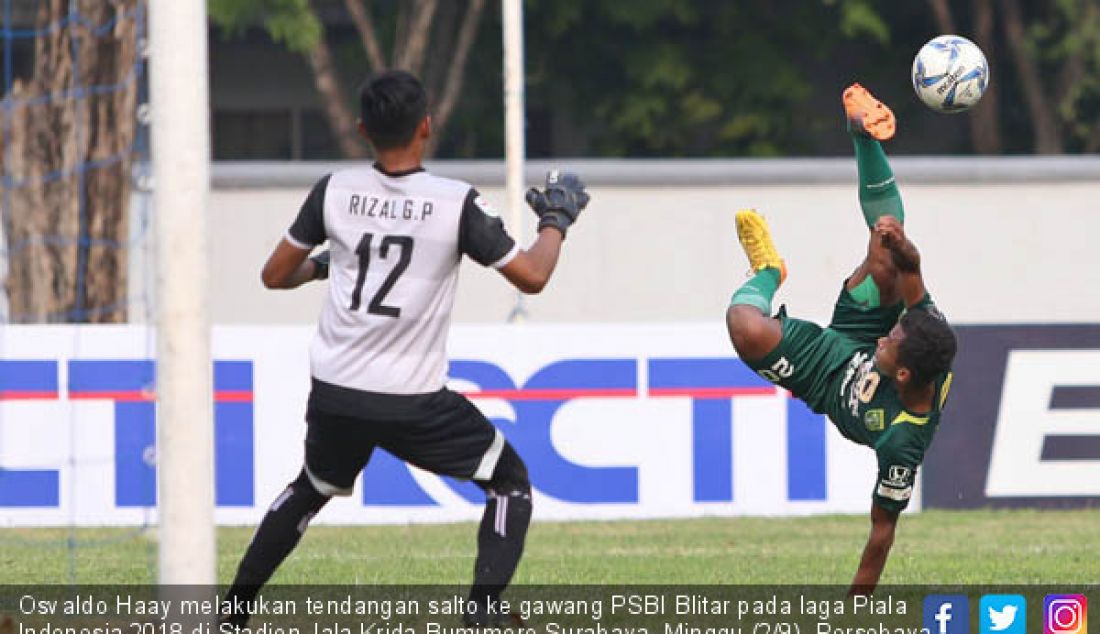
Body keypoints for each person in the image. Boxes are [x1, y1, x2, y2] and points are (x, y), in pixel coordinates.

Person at [222, 70, 590, 625]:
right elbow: (532, 276)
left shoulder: (334, 190)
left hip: (337, 390)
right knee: (509, 483)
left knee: (310, 488)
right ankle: (483, 614)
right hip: (411, 399)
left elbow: (275, 275)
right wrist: (555, 221)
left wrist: (328, 264)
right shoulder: (453, 202)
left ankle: (231, 613)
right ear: (426, 126)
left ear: (362, 127)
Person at [724, 83, 957, 594]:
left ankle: (766, 271)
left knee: (743, 326)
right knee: (887, 248)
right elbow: (911, 269)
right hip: (855, 331)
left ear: (901, 374)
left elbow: (881, 535)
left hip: (828, 376)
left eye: (892, 338)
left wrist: (855, 609)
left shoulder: (902, 443)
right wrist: (899, 243)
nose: (888, 335)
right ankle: (862, 133)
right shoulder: (927, 332)